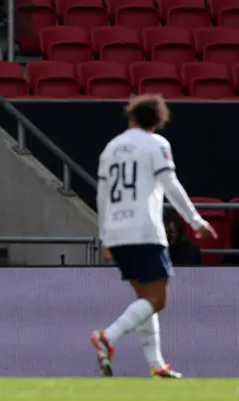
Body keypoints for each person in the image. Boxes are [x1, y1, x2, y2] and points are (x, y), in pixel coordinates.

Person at [91, 94, 217, 379]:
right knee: (158, 300)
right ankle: (107, 337)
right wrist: (195, 220)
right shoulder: (157, 144)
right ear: (158, 121)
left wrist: (104, 235)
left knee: (145, 299)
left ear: (132, 117)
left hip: (118, 232)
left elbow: (101, 196)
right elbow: (170, 184)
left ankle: (157, 364)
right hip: (144, 230)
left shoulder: (110, 149)